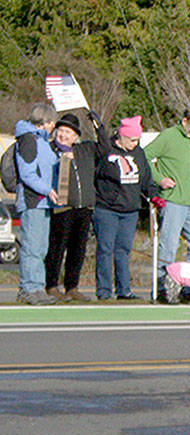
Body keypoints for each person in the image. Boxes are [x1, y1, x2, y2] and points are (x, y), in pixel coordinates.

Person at [144, 108, 190, 305]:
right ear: (184, 121)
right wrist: (159, 179)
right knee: (169, 245)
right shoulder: (168, 137)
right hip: (172, 200)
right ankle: (163, 287)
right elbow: (145, 156)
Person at [45, 112, 108, 301]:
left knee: (78, 249)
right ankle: (52, 285)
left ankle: (72, 286)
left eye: (68, 132)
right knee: (57, 248)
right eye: (61, 131)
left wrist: (99, 127)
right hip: (62, 207)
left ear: (76, 136)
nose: (63, 135)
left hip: (85, 207)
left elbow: (105, 148)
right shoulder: (50, 150)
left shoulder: (85, 149)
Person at [92, 116, 156, 301]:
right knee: (105, 249)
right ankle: (104, 290)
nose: (135, 144)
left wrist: (153, 194)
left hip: (130, 210)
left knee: (124, 250)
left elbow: (145, 178)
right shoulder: (107, 150)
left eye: (137, 140)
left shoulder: (139, 153)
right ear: (122, 137)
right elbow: (101, 144)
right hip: (107, 208)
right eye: (132, 140)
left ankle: (124, 289)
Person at [12, 103, 60, 305]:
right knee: (32, 246)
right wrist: (47, 189)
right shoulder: (28, 140)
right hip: (34, 201)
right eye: (52, 123)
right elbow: (28, 173)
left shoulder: (42, 142)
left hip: (45, 203)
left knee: (41, 247)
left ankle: (37, 286)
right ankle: (29, 287)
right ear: (46, 122)